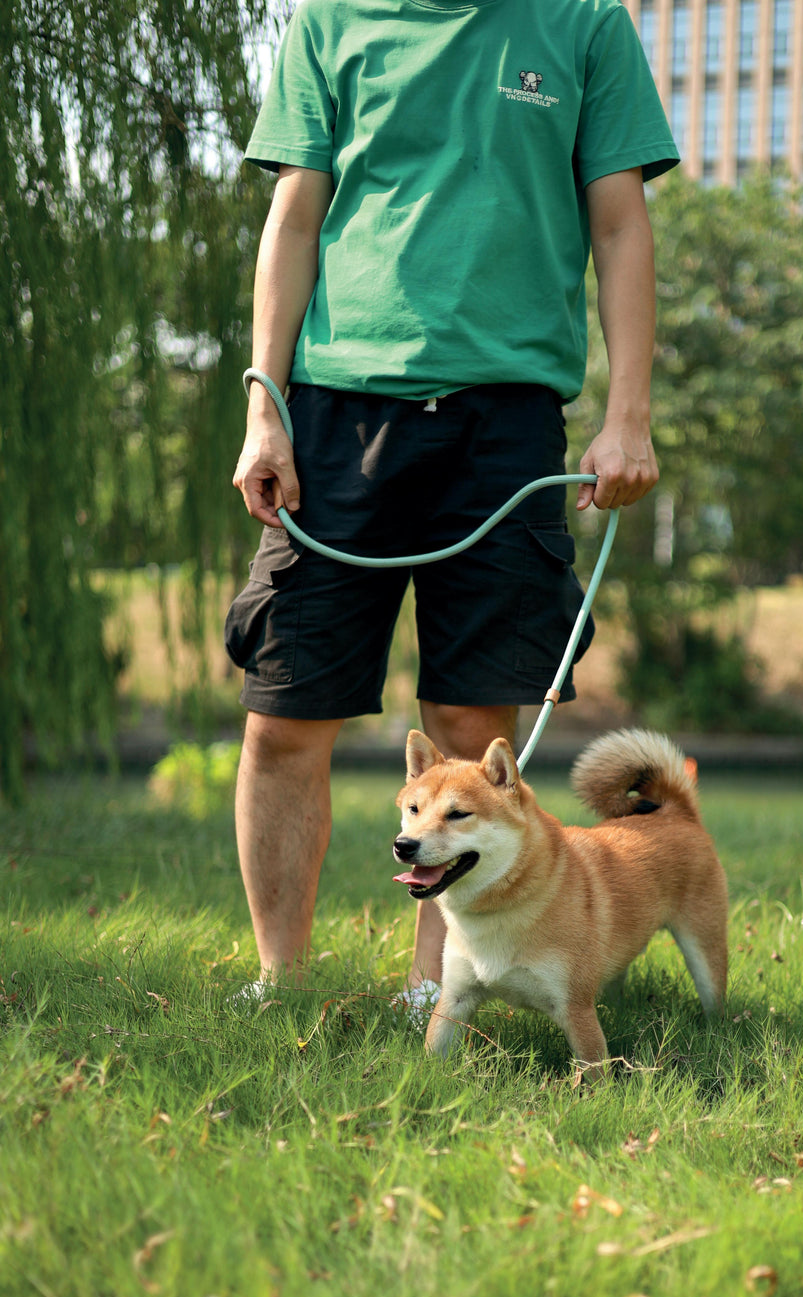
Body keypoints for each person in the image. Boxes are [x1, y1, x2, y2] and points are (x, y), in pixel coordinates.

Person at [226, 0, 679, 1008]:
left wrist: (629, 416)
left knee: (473, 724)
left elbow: (618, 222)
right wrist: (266, 406)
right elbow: (295, 216)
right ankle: (281, 982)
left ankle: (437, 990)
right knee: (283, 714)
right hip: (338, 418)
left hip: (508, 423)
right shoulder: (331, 23)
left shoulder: (585, 25)